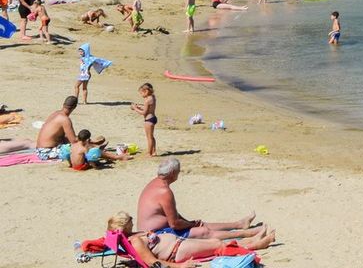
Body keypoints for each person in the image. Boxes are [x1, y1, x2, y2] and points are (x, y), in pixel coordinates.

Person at [136, 157, 264, 242]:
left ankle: (239, 224)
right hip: (154, 235)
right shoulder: (164, 192)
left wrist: (189, 222)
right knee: (203, 231)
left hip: (151, 230)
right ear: (173, 173)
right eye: (178, 171)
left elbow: (169, 215)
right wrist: (190, 224)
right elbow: (174, 224)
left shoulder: (154, 183)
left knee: (200, 224)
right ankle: (246, 234)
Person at [104, 212, 275, 268]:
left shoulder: (134, 236)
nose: (133, 221)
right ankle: (259, 243)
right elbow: (153, 263)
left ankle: (255, 239)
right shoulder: (135, 241)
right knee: (216, 246)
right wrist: (182, 266)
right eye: (130, 221)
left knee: (215, 244)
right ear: (125, 226)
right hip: (177, 252)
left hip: (179, 245)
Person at [37, 95, 102, 148]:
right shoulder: (65, 119)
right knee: (82, 148)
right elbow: (73, 141)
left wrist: (90, 141)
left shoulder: (55, 113)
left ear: (63, 104)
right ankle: (103, 152)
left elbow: (67, 137)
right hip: (46, 151)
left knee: (68, 140)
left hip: (40, 148)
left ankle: (95, 146)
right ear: (75, 107)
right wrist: (89, 142)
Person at [132, 83, 158, 156]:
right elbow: (149, 108)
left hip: (148, 120)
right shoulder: (152, 97)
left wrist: (135, 108)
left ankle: (149, 153)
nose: (141, 95)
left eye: (141, 93)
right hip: (153, 117)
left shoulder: (147, 100)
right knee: (151, 136)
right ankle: (154, 151)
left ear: (146, 91)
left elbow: (144, 113)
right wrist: (140, 107)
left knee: (149, 137)